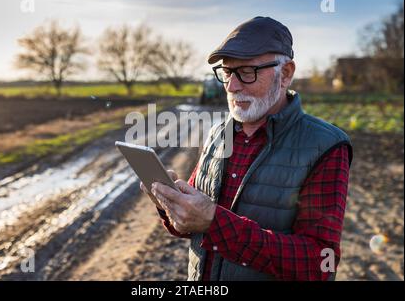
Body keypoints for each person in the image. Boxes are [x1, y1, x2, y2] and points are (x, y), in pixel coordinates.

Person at [140, 16, 353, 281]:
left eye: (247, 72)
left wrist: (214, 222)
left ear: (285, 73)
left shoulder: (326, 147)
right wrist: (172, 206)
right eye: (227, 72)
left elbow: (319, 264)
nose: (231, 85)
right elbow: (194, 226)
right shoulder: (218, 134)